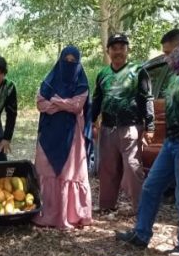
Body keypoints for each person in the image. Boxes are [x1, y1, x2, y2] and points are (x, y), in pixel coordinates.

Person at [116, 29, 179, 256]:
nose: (167, 58)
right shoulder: (176, 75)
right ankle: (141, 234)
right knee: (151, 187)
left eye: (169, 53)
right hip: (171, 142)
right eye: (164, 53)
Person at [91, 33, 155, 213]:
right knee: (107, 168)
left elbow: (147, 99)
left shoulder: (138, 71)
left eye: (122, 48)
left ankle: (140, 208)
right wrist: (92, 121)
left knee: (133, 167)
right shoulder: (103, 74)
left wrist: (150, 126)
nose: (118, 51)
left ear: (128, 50)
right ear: (108, 51)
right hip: (108, 127)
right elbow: (97, 100)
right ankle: (106, 206)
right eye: (114, 48)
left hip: (131, 127)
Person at [33, 45, 93, 229]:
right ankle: (47, 213)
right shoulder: (49, 81)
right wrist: (63, 104)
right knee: (46, 170)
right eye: (66, 61)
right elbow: (41, 104)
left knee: (69, 172)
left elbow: (77, 105)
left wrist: (55, 101)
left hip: (71, 135)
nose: (69, 65)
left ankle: (71, 215)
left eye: (73, 62)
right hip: (48, 134)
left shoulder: (82, 84)